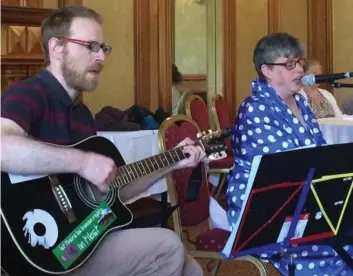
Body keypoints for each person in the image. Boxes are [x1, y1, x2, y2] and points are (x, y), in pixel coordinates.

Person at [1, 6, 205, 276]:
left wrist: (173, 161)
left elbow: (114, 189)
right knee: (167, 246)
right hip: (49, 252)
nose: (101, 57)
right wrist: (82, 162)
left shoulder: (82, 114)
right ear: (57, 47)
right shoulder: (28, 94)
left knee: (191, 269)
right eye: (91, 46)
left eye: (103, 48)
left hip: (85, 236)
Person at [225, 32, 352, 275]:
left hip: (308, 200)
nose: (299, 70)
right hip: (266, 213)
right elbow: (289, 168)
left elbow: (320, 156)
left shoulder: (301, 103)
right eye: (290, 64)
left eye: (300, 63)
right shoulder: (254, 109)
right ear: (267, 70)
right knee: (338, 250)